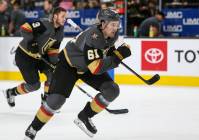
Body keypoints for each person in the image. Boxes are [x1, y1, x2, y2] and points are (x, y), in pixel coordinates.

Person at [24, 8, 131, 140]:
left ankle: (84, 116)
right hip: (68, 65)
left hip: (86, 66)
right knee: (56, 101)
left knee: (112, 90)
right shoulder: (94, 36)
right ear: (103, 24)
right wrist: (118, 57)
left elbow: (112, 46)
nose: (116, 28)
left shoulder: (111, 34)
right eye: (113, 24)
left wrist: (117, 50)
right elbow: (96, 69)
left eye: (117, 24)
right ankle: (33, 128)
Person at [3, 7, 67, 107]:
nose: (65, 19)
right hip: (24, 56)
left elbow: (53, 49)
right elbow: (25, 28)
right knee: (34, 86)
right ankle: (11, 92)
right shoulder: (44, 24)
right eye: (62, 16)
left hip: (40, 57)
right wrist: (32, 42)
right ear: (55, 16)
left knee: (52, 74)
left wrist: (55, 62)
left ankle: (46, 101)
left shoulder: (60, 32)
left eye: (65, 17)